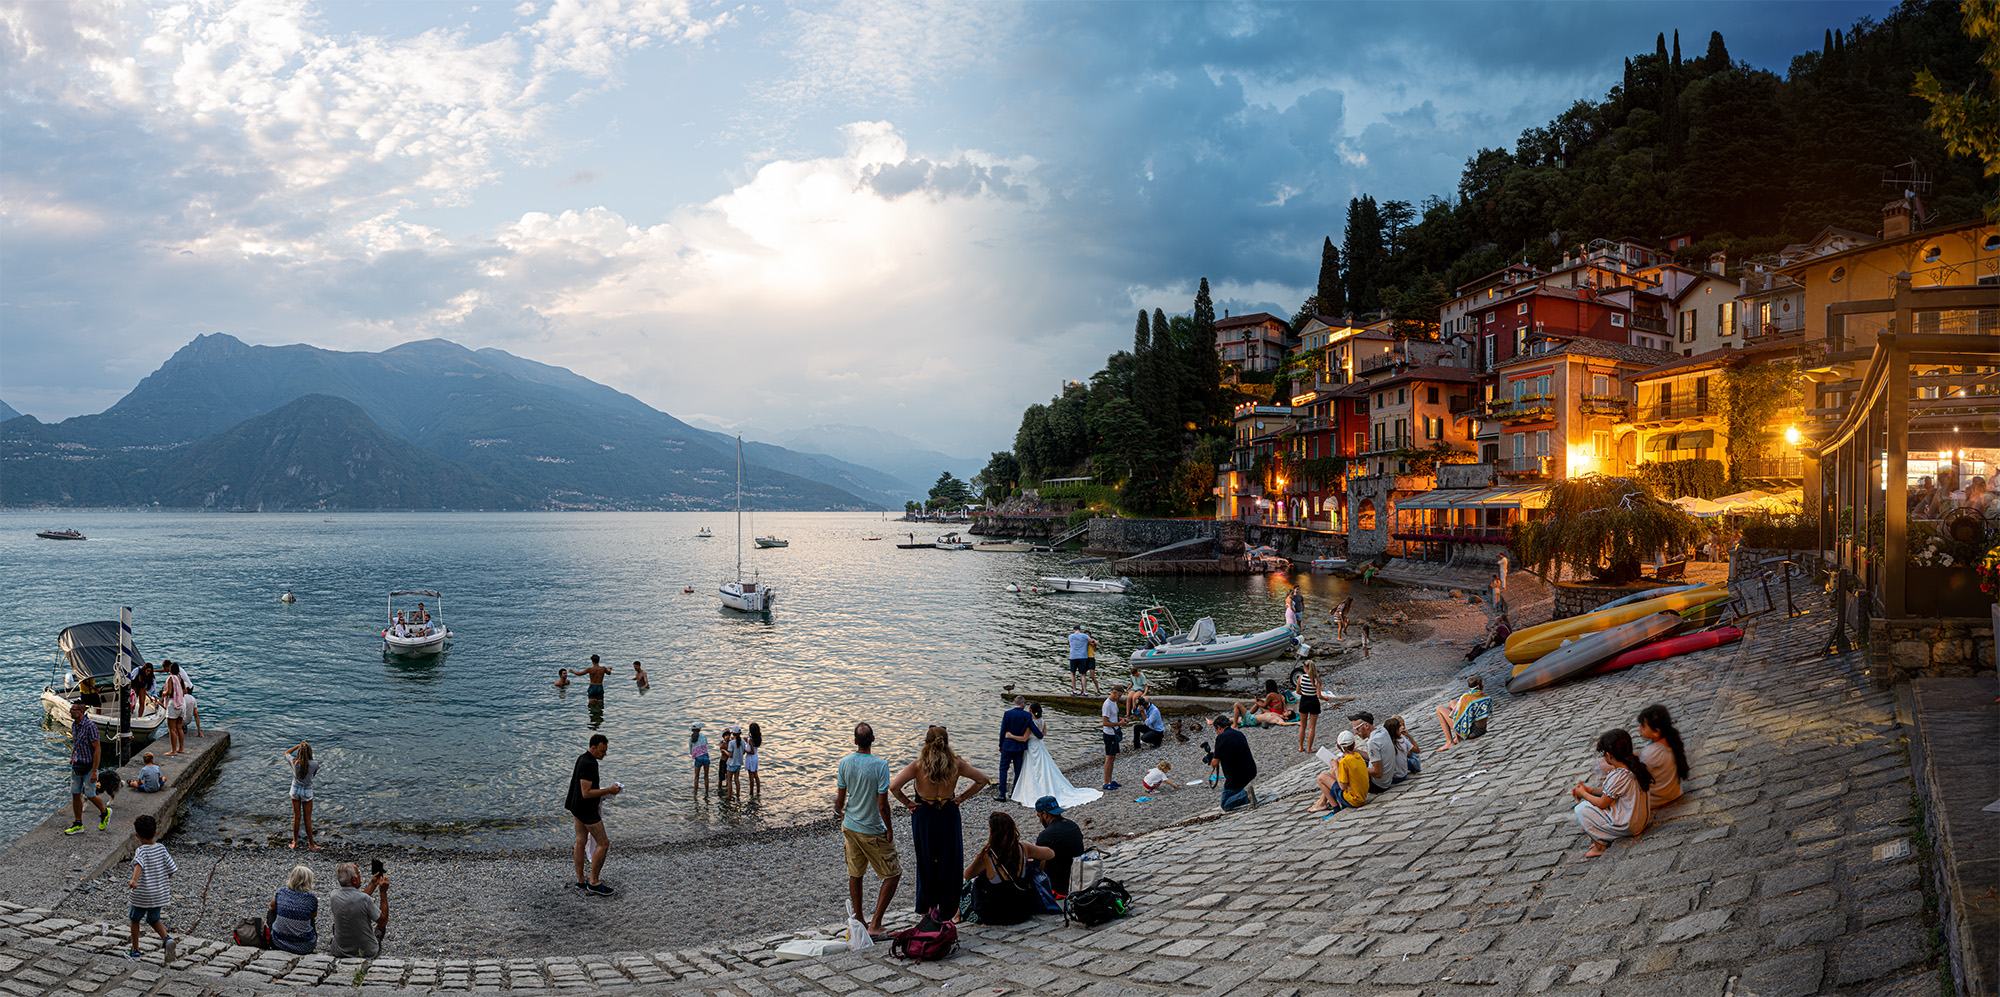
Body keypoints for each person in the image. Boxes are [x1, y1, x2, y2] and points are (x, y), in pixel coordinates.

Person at [889, 726, 989, 918]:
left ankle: (928, 911)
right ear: (947, 743)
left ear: (926, 744)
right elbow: (982, 780)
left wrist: (908, 803)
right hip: (948, 813)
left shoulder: (918, 766)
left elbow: (894, 787)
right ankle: (948, 910)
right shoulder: (957, 764)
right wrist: (961, 797)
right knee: (949, 861)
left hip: (924, 814)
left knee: (926, 861)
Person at [835, 723, 900, 937]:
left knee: (856, 873)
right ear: (873, 740)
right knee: (892, 873)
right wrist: (889, 829)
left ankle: (860, 919)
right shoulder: (880, 765)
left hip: (851, 826)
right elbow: (883, 805)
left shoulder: (845, 763)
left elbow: (841, 798)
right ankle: (875, 923)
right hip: (872, 828)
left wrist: (838, 812)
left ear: (855, 741)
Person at [957, 811, 1056, 925]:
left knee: (971, 883)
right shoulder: (1023, 848)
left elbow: (967, 875)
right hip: (1022, 911)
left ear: (992, 832)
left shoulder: (987, 855)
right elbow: (1050, 854)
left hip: (995, 915)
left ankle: (957, 916)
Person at [1006, 703, 1102, 810]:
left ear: (1030, 710)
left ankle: (1033, 791)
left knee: (1032, 769)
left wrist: (1011, 736)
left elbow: (1024, 739)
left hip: (1032, 747)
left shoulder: (1030, 723)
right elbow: (1044, 734)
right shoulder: (1042, 721)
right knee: (1044, 767)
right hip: (1040, 746)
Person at [565, 733, 620, 895]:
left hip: (576, 806)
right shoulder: (589, 764)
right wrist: (609, 790)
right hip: (586, 809)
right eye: (602, 751)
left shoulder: (582, 758)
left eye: (605, 751)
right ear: (593, 748)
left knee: (580, 841)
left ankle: (581, 881)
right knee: (603, 843)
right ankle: (594, 882)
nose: (605, 754)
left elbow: (582, 790)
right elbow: (586, 793)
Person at [126, 814, 176, 963]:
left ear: (137, 835)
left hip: (142, 894)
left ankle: (135, 951)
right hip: (159, 894)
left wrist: (134, 880)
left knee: (135, 919)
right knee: (154, 919)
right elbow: (171, 869)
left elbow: (138, 865)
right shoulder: (161, 848)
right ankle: (167, 939)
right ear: (155, 833)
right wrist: (162, 881)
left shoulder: (141, 851)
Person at [65, 702, 112, 835]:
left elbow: (97, 749)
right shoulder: (75, 725)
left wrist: (94, 771)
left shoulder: (90, 727)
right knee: (75, 793)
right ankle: (78, 823)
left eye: (73, 710)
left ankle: (104, 812)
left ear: (81, 711)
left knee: (90, 794)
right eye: (71, 709)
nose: (70, 712)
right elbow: (76, 742)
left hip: (88, 765)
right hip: (77, 764)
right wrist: (73, 755)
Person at [1636, 704, 1690, 808]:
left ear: (1656, 732)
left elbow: (1637, 772)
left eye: (1643, 726)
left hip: (1657, 799)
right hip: (1674, 792)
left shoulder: (1652, 752)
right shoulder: (1670, 741)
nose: (1639, 729)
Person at [1032, 797, 1086, 895]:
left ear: (1045, 814)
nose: (1040, 821)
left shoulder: (1046, 835)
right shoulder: (1073, 825)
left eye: (1039, 816)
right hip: (1079, 878)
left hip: (1057, 887)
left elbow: (1037, 867)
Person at [327, 862, 380, 959]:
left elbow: (356, 899)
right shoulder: (364, 899)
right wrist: (383, 892)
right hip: (366, 951)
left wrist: (373, 884)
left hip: (339, 950)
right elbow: (383, 920)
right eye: (359, 873)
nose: (360, 876)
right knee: (381, 927)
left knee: (335, 925)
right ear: (354, 880)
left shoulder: (333, 895)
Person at [1310, 730, 1369, 813]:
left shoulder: (1344, 762)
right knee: (1327, 775)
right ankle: (1325, 802)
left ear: (1338, 746)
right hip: (1362, 796)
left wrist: (1336, 767)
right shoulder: (1357, 756)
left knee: (1321, 778)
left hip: (1354, 800)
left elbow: (1342, 787)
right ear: (1354, 744)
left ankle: (1335, 808)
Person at [266, 866, 318, 954]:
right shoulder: (311, 898)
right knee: (310, 917)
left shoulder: (282, 892)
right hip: (305, 947)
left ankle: (277, 935)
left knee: (271, 912)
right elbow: (313, 915)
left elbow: (272, 906)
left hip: (278, 944)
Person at [1211, 714, 1258, 811]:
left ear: (1219, 728)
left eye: (1216, 731)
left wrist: (1213, 758)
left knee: (1225, 804)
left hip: (1236, 776)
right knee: (1234, 791)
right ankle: (1243, 794)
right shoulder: (1239, 733)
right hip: (1251, 770)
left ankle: (1246, 795)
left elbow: (1214, 763)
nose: (1217, 734)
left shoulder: (1221, 737)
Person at [1435, 674, 1491, 751]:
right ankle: (1457, 738)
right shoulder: (1487, 697)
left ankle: (1449, 742)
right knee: (1452, 703)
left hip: (1471, 734)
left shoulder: (1466, 698)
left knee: (1439, 709)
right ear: (1479, 686)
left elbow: (1461, 717)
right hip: (1482, 729)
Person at [284, 741, 321, 850]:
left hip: (295, 789)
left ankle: (295, 843)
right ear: (310, 752)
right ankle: (311, 844)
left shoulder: (294, 762)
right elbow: (312, 776)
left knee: (297, 817)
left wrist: (298, 745)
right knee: (307, 818)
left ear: (299, 752)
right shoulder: (315, 764)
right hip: (306, 791)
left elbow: (287, 752)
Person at [996, 696, 1035, 800]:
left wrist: (1001, 745)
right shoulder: (1027, 715)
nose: (1025, 705)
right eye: (1024, 703)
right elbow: (1032, 729)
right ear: (1022, 703)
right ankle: (1014, 791)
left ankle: (1002, 794)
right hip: (1019, 747)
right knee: (1018, 770)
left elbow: (1003, 731)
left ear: (1015, 703)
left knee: (1003, 769)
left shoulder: (1007, 714)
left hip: (1007, 746)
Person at [1350, 712, 1395, 793]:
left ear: (1366, 725)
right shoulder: (1382, 731)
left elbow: (1377, 773)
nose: (1355, 733)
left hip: (1378, 785)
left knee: (1344, 766)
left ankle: (1330, 801)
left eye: (1357, 729)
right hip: (1387, 780)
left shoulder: (1372, 742)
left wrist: (1356, 768)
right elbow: (1375, 758)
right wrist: (1355, 750)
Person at [160, 663, 189, 757]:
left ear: (170, 670)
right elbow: (185, 691)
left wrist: (163, 693)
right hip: (182, 703)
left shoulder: (171, 678)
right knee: (179, 727)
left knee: (171, 729)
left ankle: (173, 750)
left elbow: (168, 692)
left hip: (173, 704)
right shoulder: (180, 679)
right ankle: (181, 748)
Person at [1295, 659, 1323, 752]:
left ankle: (1300, 747)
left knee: (1303, 726)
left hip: (1304, 701)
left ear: (1306, 668)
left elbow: (1297, 691)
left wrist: (1304, 693)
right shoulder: (1317, 679)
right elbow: (1319, 695)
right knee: (1312, 727)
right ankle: (1309, 748)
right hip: (1314, 701)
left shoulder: (1300, 678)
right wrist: (1326, 698)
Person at [1099, 687, 1124, 790]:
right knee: (1109, 758)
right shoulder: (1107, 704)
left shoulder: (1114, 702)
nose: (1120, 697)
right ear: (1114, 693)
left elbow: (1113, 717)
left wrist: (1121, 720)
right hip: (1109, 734)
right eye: (1119, 695)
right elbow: (1104, 722)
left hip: (1114, 733)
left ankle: (1110, 780)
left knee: (1113, 757)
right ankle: (1106, 782)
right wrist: (1118, 723)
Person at [1067, 626, 1096, 696]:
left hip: (1073, 657)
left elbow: (1069, 645)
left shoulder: (1070, 636)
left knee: (1072, 673)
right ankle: (1085, 691)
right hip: (1083, 657)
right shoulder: (1085, 636)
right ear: (1080, 630)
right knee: (1082, 675)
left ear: (1074, 630)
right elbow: (1091, 641)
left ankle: (1074, 690)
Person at [689, 724, 711, 793]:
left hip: (698, 759)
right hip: (706, 758)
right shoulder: (704, 736)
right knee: (706, 777)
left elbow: (691, 752)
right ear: (700, 729)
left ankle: (695, 793)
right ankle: (706, 793)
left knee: (696, 777)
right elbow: (706, 745)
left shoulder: (691, 739)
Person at [745, 723, 762, 796]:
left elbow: (752, 751)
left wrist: (745, 750)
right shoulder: (757, 738)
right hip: (755, 758)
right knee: (755, 774)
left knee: (750, 776)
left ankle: (751, 792)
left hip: (750, 758)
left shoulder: (750, 740)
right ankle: (758, 790)